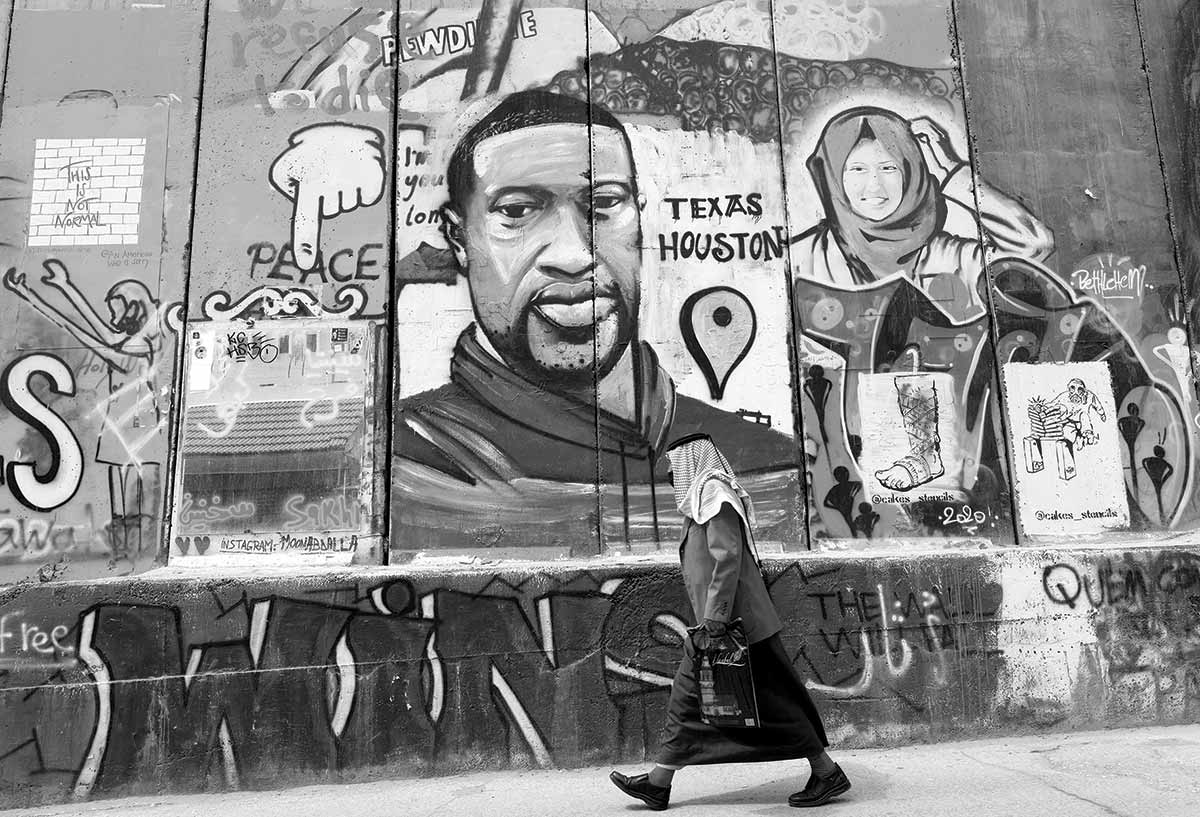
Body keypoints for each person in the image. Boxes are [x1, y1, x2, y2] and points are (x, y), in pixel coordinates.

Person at [392, 90, 798, 549]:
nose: (573, 254)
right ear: (459, 238)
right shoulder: (409, 464)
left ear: (639, 221)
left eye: (603, 204)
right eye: (517, 211)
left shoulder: (768, 462)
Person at [609, 433, 848, 810]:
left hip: (737, 625)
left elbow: (728, 558)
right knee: (688, 699)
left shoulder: (715, 496)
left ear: (692, 461)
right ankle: (659, 781)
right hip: (720, 624)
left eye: (674, 466)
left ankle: (825, 770)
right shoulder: (703, 501)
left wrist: (716, 619)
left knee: (776, 702)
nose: (671, 476)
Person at [791, 106, 1054, 322]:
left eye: (889, 168)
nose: (874, 185)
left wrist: (953, 172)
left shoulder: (952, 258)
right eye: (857, 169)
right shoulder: (804, 259)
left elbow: (1032, 245)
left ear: (911, 173)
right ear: (833, 178)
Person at [3, 260, 164, 561]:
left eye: (117, 308)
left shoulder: (140, 346)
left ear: (132, 308)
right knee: (121, 509)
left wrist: (45, 291)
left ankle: (133, 559)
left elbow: (91, 337)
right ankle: (125, 558)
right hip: (121, 432)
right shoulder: (129, 341)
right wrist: (52, 288)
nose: (112, 315)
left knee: (134, 509)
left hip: (139, 434)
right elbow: (87, 327)